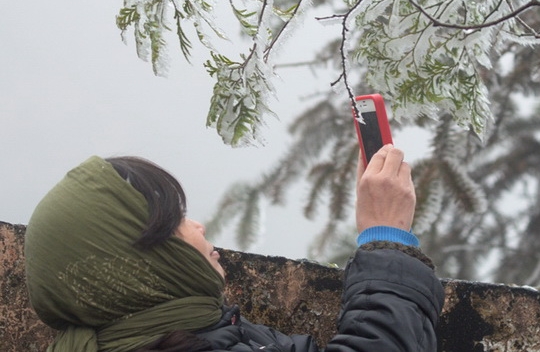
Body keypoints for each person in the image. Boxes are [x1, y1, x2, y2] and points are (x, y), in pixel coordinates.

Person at [25, 144, 444, 351]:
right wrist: (385, 238)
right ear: (139, 264)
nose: (198, 225)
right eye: (175, 221)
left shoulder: (208, 333)